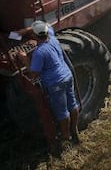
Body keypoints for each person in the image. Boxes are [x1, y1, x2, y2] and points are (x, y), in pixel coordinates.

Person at [16, 20, 80, 148]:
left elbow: (34, 74)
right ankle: (75, 131)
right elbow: (46, 26)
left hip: (56, 83)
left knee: (62, 112)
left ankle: (66, 138)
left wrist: (25, 59)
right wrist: (21, 32)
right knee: (72, 105)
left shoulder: (39, 53)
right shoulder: (52, 37)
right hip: (67, 76)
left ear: (34, 36)